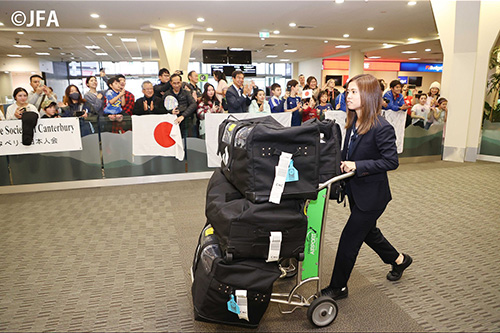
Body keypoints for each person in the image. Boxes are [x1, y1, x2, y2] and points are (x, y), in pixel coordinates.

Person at [321, 73, 412, 300]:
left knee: (349, 240)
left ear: (368, 95)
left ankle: (338, 287)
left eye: (353, 92)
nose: (347, 96)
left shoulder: (382, 127)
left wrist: (357, 165)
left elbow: (391, 161)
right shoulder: (353, 122)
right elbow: (346, 153)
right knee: (369, 233)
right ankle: (400, 260)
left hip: (372, 197)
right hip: (356, 191)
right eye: (347, 91)